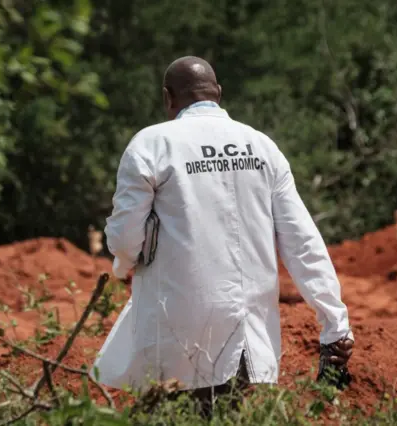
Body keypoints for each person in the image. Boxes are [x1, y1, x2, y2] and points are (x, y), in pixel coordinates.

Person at [91, 56, 354, 417]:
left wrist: (125, 265)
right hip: (245, 331)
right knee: (227, 413)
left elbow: (123, 240)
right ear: (219, 93)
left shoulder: (151, 145)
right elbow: (302, 242)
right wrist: (334, 325)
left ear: (168, 98)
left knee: (173, 415)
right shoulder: (261, 146)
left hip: (176, 328)